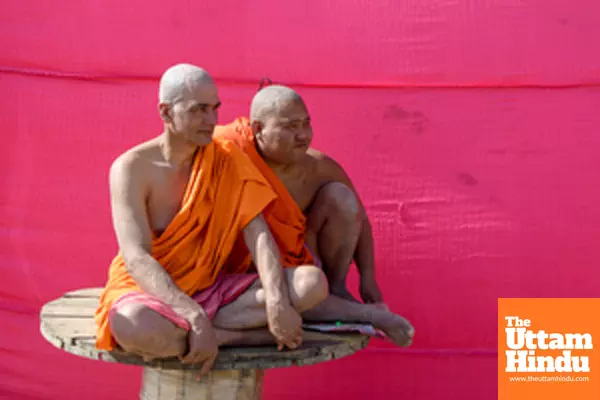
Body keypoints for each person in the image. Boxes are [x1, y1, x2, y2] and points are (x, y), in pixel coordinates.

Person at [94, 64, 329, 378]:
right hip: (151, 294)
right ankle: (233, 337)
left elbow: (258, 234)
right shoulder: (131, 168)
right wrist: (192, 315)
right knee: (131, 325)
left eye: (215, 108)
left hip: (213, 289)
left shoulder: (226, 157)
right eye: (199, 110)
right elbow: (137, 258)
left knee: (311, 283)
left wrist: (275, 302)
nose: (212, 120)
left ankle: (207, 336)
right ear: (165, 112)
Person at [213, 85, 415, 347]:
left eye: (306, 124)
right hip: (241, 280)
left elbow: (361, 220)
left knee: (341, 198)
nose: (302, 135)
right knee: (305, 289)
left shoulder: (318, 167)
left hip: (299, 270)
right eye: (290, 126)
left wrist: (368, 279)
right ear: (258, 128)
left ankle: (337, 289)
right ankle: (366, 315)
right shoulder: (228, 154)